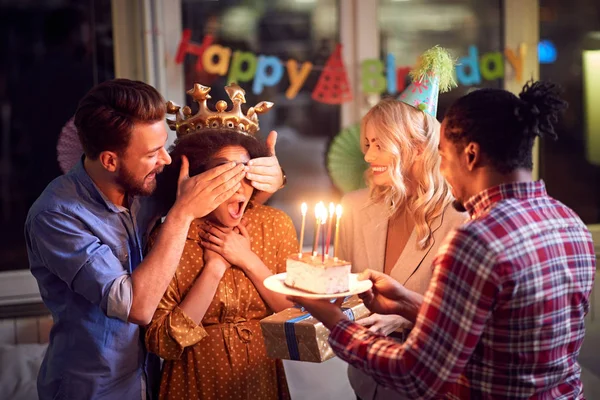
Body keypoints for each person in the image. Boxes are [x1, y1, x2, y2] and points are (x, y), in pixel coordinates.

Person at [291, 80, 596, 399]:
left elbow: (415, 374)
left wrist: (333, 319)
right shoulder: (569, 221)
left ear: (471, 155)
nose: (442, 172)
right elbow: (497, 328)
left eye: (444, 157)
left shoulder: (476, 240)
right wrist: (406, 302)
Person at [24, 79, 284, 399]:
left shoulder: (142, 184)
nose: (166, 160)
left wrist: (269, 179)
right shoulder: (56, 216)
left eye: (164, 144)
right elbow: (137, 307)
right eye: (152, 153)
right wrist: (181, 213)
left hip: (152, 380)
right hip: (93, 388)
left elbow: (217, 201)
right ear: (109, 160)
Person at [338, 48, 467, 400]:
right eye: (367, 144)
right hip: (366, 382)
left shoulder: (463, 220)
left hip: (431, 386)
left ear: (417, 146)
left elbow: (469, 319)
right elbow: (344, 292)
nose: (367, 156)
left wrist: (407, 316)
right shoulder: (353, 208)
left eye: (380, 144)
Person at [145, 127, 298, 399]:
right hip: (193, 382)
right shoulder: (172, 235)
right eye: (224, 173)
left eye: (246, 172)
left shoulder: (275, 225)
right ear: (197, 177)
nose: (238, 184)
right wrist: (213, 269)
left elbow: (296, 316)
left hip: (260, 380)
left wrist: (248, 260)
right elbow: (162, 343)